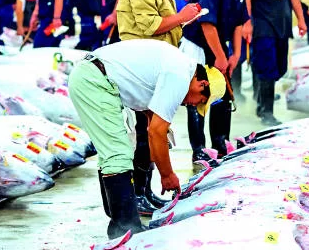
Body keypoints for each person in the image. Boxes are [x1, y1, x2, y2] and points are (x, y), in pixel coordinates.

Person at [68, 39, 225, 239]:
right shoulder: (180, 75)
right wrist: (167, 175)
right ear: (202, 84)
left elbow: (152, 122)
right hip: (95, 81)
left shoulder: (179, 66)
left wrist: (158, 146)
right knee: (117, 154)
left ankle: (119, 222)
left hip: (94, 77)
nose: (192, 104)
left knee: (114, 153)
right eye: (200, 101)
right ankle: (125, 227)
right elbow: (156, 133)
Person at [116, 0, 201, 216]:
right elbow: (150, 25)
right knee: (145, 134)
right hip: (142, 69)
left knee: (150, 132)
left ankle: (145, 191)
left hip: (153, 66)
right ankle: (138, 193)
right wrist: (182, 16)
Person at [182, 0, 261, 161]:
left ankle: (220, 141)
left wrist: (235, 54)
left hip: (218, 44)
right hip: (198, 44)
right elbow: (207, 23)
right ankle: (199, 148)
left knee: (223, 94)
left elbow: (238, 22)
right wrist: (220, 56)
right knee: (199, 95)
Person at [244, 0, 307, 126]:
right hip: (263, 27)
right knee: (268, 69)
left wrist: (302, 20)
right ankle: (266, 112)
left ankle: (262, 102)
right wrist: (247, 22)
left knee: (280, 68)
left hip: (282, 27)